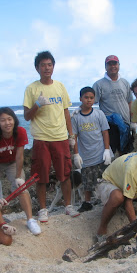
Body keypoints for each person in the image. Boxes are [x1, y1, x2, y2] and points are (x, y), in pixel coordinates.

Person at [23, 50, 80, 222]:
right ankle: (42, 209)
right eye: (43, 65)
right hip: (41, 138)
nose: (47, 68)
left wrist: (71, 135)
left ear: (53, 67)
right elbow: (26, 116)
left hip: (60, 137)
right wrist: (37, 105)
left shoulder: (60, 86)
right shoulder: (31, 89)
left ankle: (68, 206)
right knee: (41, 176)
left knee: (65, 173)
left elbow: (66, 113)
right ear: (37, 68)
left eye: (49, 65)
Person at [0, 107, 41, 235]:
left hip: (13, 163)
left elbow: (19, 156)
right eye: (3, 120)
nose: (7, 123)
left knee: (21, 188)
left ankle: (30, 220)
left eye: (9, 119)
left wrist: (18, 177)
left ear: (14, 120)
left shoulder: (20, 132)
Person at [71, 87, 112, 212]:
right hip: (86, 156)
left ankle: (108, 199)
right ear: (80, 99)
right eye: (86, 97)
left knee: (105, 178)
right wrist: (76, 154)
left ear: (94, 99)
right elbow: (74, 137)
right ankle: (87, 202)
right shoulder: (76, 117)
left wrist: (107, 150)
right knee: (87, 182)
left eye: (91, 98)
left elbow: (105, 132)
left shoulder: (99, 114)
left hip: (101, 153)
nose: (89, 100)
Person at [92, 55, 135, 155]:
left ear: (119, 65)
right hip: (109, 126)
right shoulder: (98, 84)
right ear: (105, 67)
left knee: (126, 153)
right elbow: (91, 102)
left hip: (125, 124)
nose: (112, 66)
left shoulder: (125, 83)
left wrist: (133, 121)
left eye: (114, 64)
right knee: (112, 154)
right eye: (109, 64)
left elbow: (130, 102)